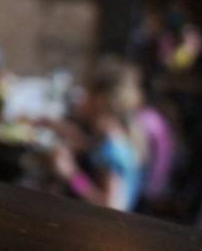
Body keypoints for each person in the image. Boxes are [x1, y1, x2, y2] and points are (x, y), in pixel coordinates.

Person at [50, 61, 146, 212]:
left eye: (86, 95)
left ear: (99, 102)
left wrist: (71, 174)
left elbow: (113, 206)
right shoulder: (111, 134)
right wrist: (51, 125)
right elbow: (91, 146)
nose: (81, 99)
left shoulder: (114, 150)